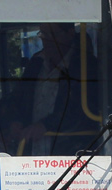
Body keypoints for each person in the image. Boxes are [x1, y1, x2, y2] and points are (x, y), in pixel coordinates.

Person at [7, 22, 97, 156]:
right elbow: (17, 98)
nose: (45, 39)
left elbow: (84, 109)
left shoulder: (85, 66)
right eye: (43, 34)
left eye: (52, 34)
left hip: (70, 152)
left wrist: (46, 125)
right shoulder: (36, 63)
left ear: (70, 33)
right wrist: (15, 120)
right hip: (30, 150)